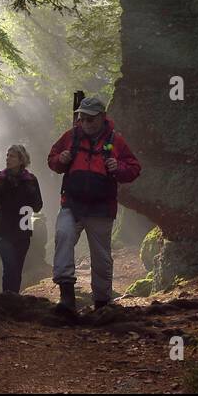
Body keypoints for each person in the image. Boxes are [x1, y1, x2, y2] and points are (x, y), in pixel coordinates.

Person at [47, 95, 141, 312]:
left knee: (101, 257)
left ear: (102, 117)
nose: (86, 123)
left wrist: (118, 166)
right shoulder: (70, 137)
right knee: (63, 236)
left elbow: (134, 168)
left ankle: (101, 303)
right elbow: (52, 159)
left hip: (101, 207)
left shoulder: (116, 141)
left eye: (91, 119)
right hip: (72, 204)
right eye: (82, 118)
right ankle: (66, 296)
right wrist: (60, 159)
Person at [0, 144, 43, 294]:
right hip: (1, 231)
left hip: (23, 231)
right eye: (7, 156)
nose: (8, 158)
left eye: (12, 156)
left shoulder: (31, 180)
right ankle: (8, 299)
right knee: (10, 266)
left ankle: (12, 299)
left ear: (22, 160)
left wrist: (31, 192)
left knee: (16, 269)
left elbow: (37, 206)